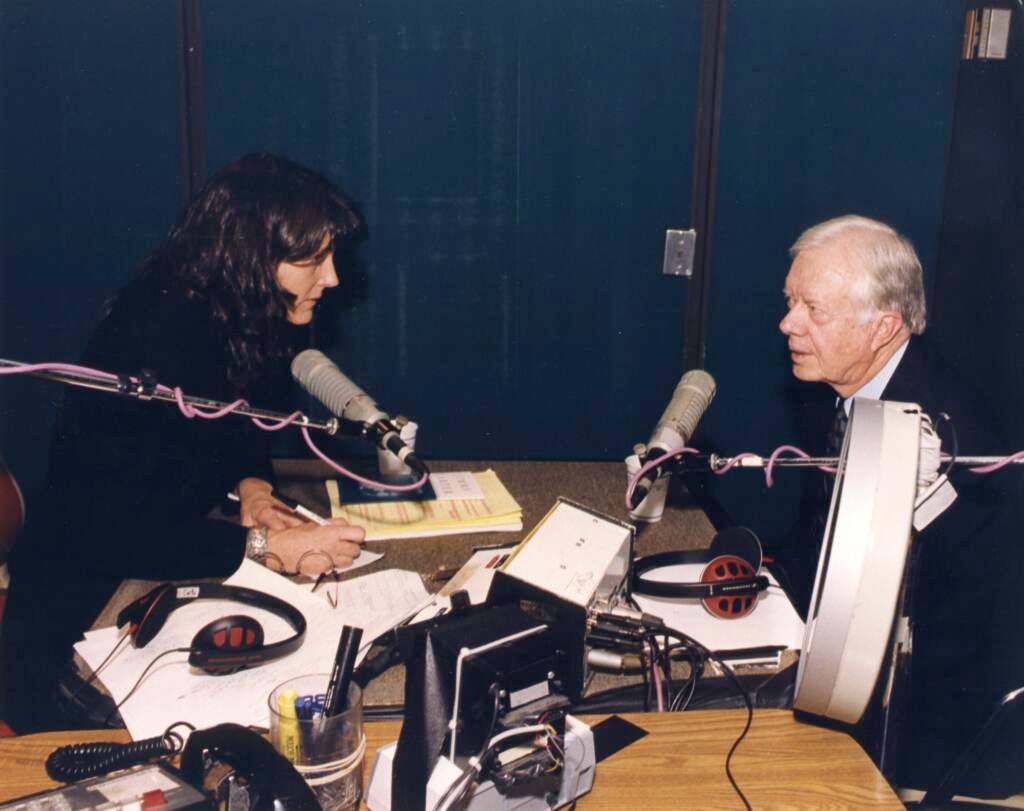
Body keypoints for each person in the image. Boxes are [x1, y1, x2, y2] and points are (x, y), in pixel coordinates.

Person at [1, 153, 368, 732]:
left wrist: (252, 487)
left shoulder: (234, 315)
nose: (332, 279)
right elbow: (108, 528)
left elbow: (242, 420)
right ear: (254, 256)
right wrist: (263, 548)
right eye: (312, 259)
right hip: (71, 644)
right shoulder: (152, 340)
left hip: (144, 580)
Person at [776, 214, 1021, 793]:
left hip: (945, 711)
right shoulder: (847, 382)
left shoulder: (949, 435)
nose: (788, 323)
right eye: (790, 301)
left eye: (814, 309)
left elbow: (958, 629)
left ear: (882, 327)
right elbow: (825, 535)